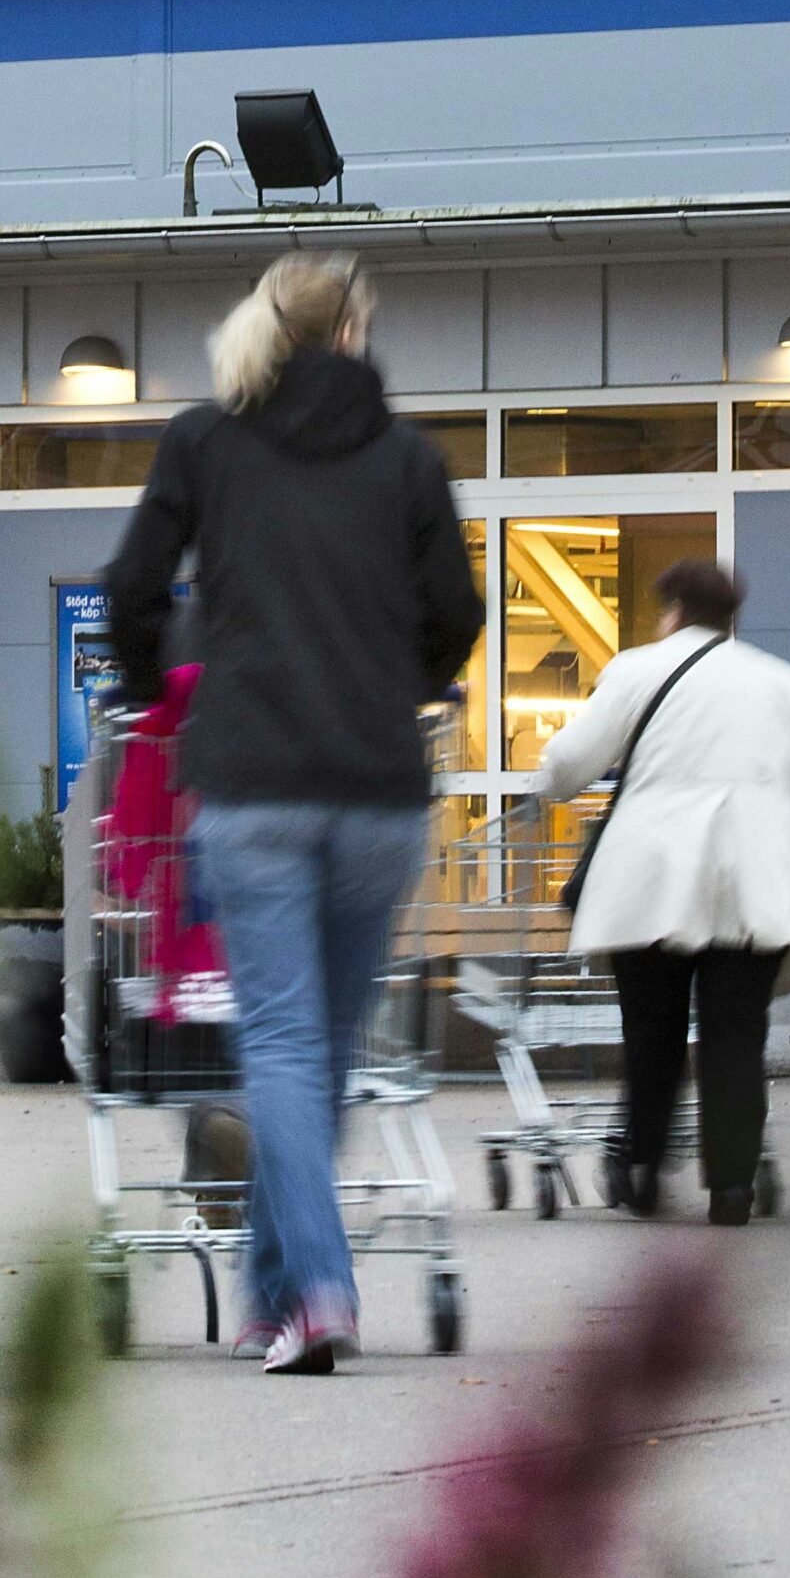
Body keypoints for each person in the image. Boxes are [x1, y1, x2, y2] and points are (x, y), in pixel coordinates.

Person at [104, 251, 483, 1375]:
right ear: (355, 333)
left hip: (254, 782)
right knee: (319, 1053)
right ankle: (275, 1296)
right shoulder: (408, 459)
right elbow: (456, 611)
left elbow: (131, 588)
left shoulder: (205, 442)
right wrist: (400, 685)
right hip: (376, 792)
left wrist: (152, 692)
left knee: (279, 1042)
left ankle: (318, 1291)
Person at [534, 562, 790, 1224]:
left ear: (673, 609)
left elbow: (564, 767)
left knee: (652, 1031)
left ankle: (643, 1169)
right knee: (737, 1034)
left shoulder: (635, 670)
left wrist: (549, 781)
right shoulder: (781, 682)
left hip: (651, 879)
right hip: (752, 881)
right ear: (731, 616)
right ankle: (731, 1187)